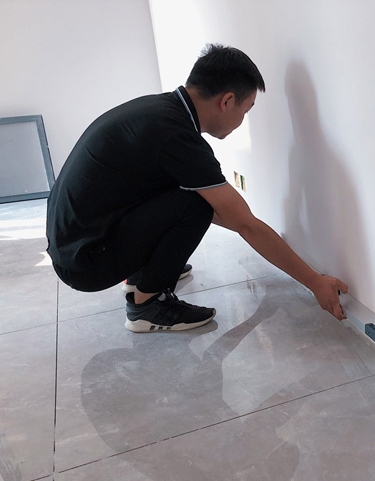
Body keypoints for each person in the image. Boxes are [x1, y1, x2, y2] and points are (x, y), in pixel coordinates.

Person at [46, 44, 348, 333]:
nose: (242, 120)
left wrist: (250, 229)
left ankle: (141, 275)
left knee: (192, 200)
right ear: (226, 101)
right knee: (198, 204)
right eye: (246, 110)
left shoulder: (161, 111)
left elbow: (230, 219)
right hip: (86, 263)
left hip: (75, 244)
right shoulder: (177, 138)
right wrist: (314, 280)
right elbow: (238, 221)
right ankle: (147, 306)